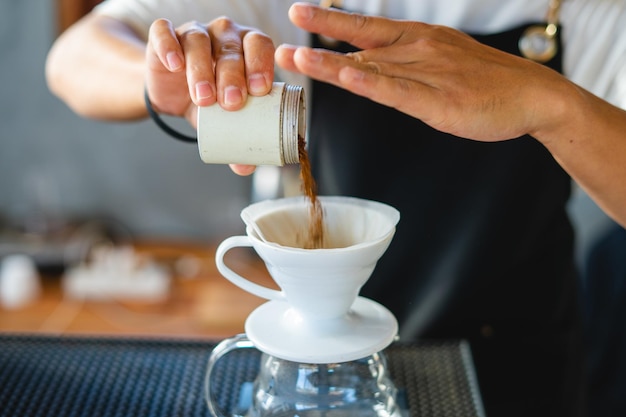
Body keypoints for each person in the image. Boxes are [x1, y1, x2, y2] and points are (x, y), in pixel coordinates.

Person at [45, 1, 626, 416]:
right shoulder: (302, 9)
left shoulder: (586, 12)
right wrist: (161, 80)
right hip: (323, 363)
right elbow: (70, 60)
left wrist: (554, 105)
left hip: (515, 363)